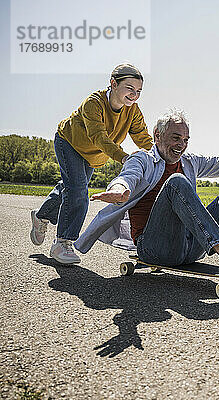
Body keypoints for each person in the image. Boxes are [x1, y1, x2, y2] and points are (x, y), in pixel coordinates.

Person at [74, 109, 219, 282]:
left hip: (188, 247)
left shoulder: (189, 162)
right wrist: (118, 190)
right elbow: (128, 176)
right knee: (176, 183)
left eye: (185, 140)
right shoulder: (142, 159)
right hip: (154, 247)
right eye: (175, 138)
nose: (181, 145)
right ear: (157, 135)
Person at [30, 63, 154, 265]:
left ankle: (41, 215)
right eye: (129, 89)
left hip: (94, 155)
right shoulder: (94, 103)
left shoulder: (133, 111)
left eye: (138, 91)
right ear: (113, 83)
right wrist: (124, 157)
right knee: (78, 190)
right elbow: (99, 137)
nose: (134, 95)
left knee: (71, 188)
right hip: (69, 143)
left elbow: (142, 137)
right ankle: (63, 242)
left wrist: (158, 155)